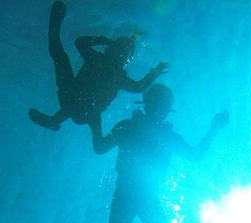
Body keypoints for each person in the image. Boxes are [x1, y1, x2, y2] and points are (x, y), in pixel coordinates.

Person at [89, 84, 229, 223]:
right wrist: (95, 121)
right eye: (157, 105)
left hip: (144, 196)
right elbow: (100, 147)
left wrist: (215, 128)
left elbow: (196, 156)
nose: (158, 111)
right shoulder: (129, 127)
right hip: (127, 193)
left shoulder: (148, 132)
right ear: (147, 105)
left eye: (162, 107)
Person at [29, 1, 169, 131]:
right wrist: (154, 73)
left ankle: (56, 119)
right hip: (82, 110)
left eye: (123, 50)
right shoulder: (112, 71)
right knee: (61, 58)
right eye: (119, 47)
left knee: (61, 59)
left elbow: (79, 43)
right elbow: (139, 87)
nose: (120, 51)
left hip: (77, 105)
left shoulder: (100, 62)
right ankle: (55, 120)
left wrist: (104, 41)